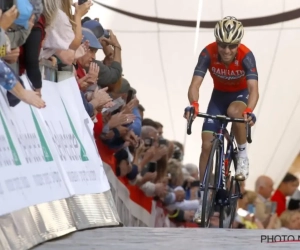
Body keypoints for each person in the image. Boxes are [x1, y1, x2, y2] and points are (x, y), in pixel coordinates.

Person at [184, 16, 259, 223]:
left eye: (232, 46)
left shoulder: (246, 56)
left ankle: (242, 154)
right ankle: (205, 199)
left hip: (239, 96)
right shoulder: (208, 52)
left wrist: (250, 110)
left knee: (236, 112)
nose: (226, 51)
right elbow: (195, 85)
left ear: (238, 44)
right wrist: (194, 104)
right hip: (218, 97)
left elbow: (253, 89)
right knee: (206, 144)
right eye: (223, 45)